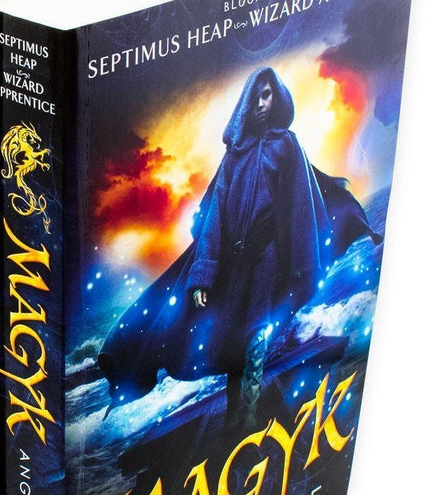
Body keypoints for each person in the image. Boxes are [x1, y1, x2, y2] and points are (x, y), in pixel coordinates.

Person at [98, 66, 380, 429]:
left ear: (276, 98)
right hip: (231, 268)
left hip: (268, 261)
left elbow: (299, 205)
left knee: (255, 338)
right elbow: (214, 218)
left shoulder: (286, 145)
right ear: (246, 102)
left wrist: (298, 264)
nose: (261, 103)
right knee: (231, 343)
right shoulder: (234, 156)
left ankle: (246, 418)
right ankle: (237, 417)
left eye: (267, 95)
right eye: (256, 96)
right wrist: (202, 276)